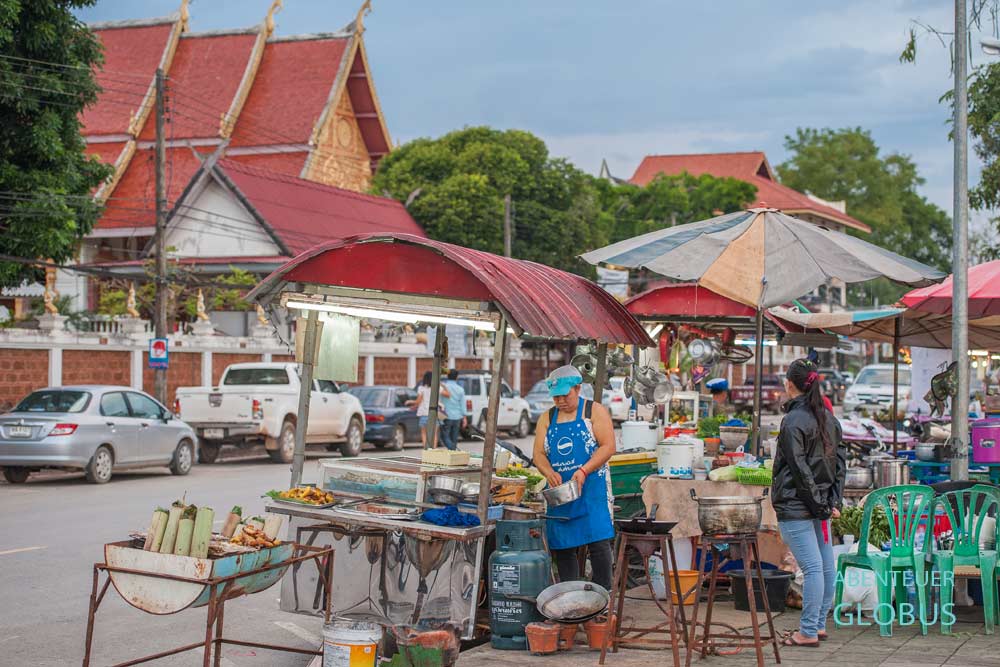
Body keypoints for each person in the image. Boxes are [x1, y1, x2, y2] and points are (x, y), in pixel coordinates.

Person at [771, 358, 846, 647]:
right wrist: (829, 502)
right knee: (825, 566)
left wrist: (820, 506)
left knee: (815, 568)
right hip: (819, 506)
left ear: (789, 384)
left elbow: (800, 471)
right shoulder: (830, 419)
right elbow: (841, 467)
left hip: (797, 507)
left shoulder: (792, 421)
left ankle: (809, 631)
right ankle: (817, 625)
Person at [532, 365, 616, 591]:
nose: (560, 401)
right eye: (556, 397)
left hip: (592, 490)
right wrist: (548, 471)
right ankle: (570, 598)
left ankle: (603, 597)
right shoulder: (547, 417)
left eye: (565, 395)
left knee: (598, 543)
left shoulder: (594, 411)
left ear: (578, 389)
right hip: (561, 494)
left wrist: (584, 470)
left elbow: (608, 446)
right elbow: (538, 453)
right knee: (563, 546)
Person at [407, 371, 450, 447]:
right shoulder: (437, 388)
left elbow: (418, 401)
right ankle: (433, 451)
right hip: (435, 414)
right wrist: (442, 384)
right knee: (435, 434)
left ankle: (425, 450)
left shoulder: (421, 388)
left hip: (424, 413)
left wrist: (411, 402)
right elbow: (448, 395)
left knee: (424, 433)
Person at [440, 369, 466, 451]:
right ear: (457, 377)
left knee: (444, 436)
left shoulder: (443, 387)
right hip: (457, 416)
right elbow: (462, 404)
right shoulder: (460, 389)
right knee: (454, 438)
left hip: (445, 416)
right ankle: (453, 451)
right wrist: (464, 417)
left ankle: (452, 449)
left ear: (447, 376)